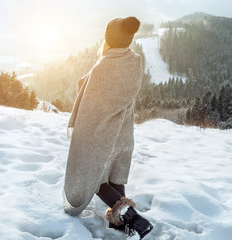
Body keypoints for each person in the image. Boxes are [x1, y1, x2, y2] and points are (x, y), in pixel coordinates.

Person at [63, 16, 153, 239]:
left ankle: (134, 219)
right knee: (116, 176)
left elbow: (91, 107)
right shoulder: (134, 61)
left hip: (102, 134)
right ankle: (121, 223)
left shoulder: (103, 67)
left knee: (96, 178)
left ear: (108, 38)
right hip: (123, 134)